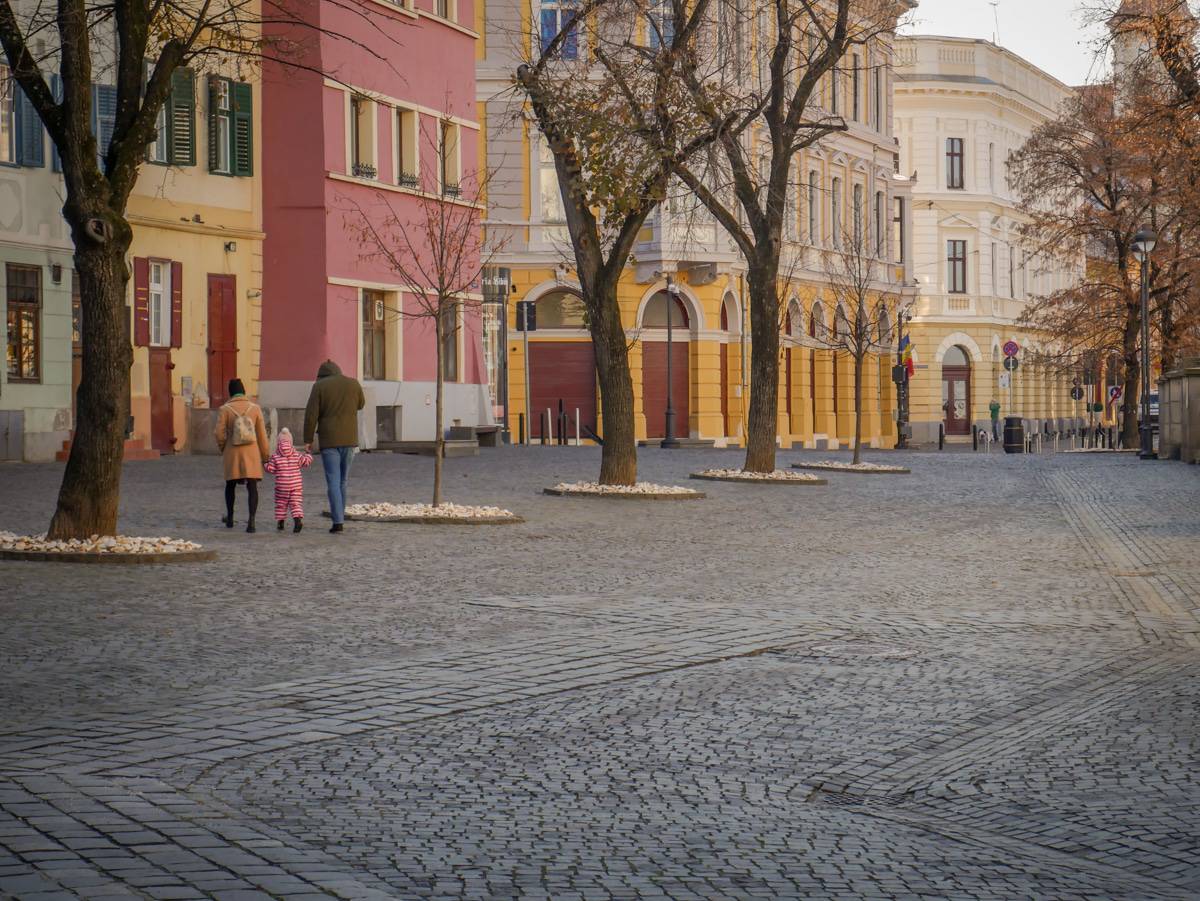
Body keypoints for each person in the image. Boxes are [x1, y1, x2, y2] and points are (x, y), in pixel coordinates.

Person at [303, 360, 365, 534]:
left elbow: (311, 414)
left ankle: (337, 521)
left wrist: (308, 439)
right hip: (350, 439)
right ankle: (340, 517)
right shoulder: (353, 384)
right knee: (343, 481)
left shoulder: (319, 387)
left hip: (329, 441)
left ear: (321, 375)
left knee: (333, 481)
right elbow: (361, 404)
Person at [215, 378, 270, 533]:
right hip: (251, 451)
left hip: (232, 451)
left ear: (230, 392)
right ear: (244, 391)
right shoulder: (255, 408)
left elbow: (218, 433)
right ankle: (251, 521)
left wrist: (223, 448)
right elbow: (262, 434)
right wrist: (265, 456)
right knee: (252, 486)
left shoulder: (225, 409)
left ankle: (230, 518)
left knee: (230, 485)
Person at [265, 427, 313, 533]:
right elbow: (306, 462)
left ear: (278, 443)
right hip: (295, 485)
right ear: (291, 443)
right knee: (295, 503)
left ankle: (281, 523)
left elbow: (271, 469)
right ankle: (297, 521)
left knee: (281, 503)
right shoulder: (296, 455)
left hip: (282, 486)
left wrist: (265, 463)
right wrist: (308, 454)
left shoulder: (275, 457)